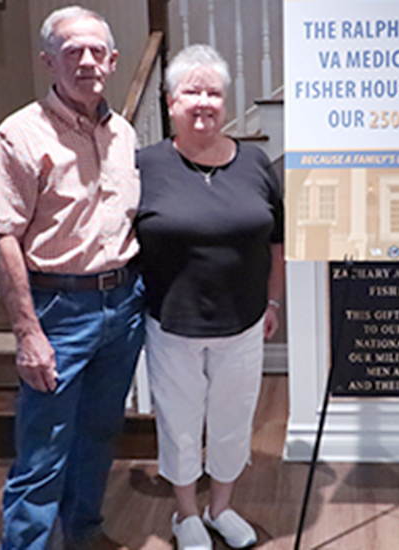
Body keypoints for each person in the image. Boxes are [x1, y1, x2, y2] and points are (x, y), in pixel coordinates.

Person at [0, 6, 143, 550]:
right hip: (58, 311)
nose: (87, 61)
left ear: (113, 61)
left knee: (98, 436)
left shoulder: (125, 134)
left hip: (124, 305)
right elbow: (3, 238)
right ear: (49, 61)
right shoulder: (19, 135)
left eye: (97, 51)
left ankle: (83, 534)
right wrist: (27, 332)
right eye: (73, 51)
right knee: (43, 452)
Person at [135, 44, 285, 550]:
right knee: (179, 423)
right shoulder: (144, 166)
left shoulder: (257, 163)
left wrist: (273, 302)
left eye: (214, 92)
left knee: (232, 420)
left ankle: (220, 507)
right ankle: (185, 516)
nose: (203, 101)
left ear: (226, 101)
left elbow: (277, 240)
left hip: (242, 322)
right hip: (171, 324)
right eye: (191, 90)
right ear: (170, 100)